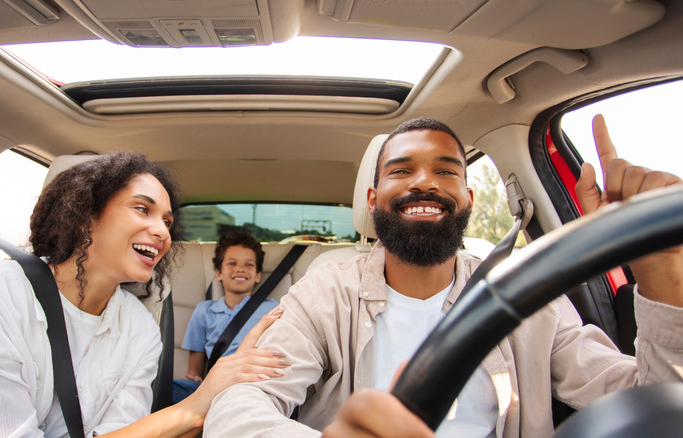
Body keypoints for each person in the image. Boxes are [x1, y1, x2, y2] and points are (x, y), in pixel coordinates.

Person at [204, 115, 683, 437]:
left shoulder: (528, 297)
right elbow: (237, 409)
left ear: (469, 198)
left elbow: (654, 405)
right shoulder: (325, 293)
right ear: (372, 200)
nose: (424, 182)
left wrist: (660, 269)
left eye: (447, 171)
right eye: (401, 170)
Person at [0, 152, 290, 437]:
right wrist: (195, 405)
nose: (163, 232)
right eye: (142, 209)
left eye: (167, 221)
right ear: (83, 216)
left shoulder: (140, 327)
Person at [173, 231, 280, 402]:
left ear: (258, 275)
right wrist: (194, 378)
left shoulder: (272, 309)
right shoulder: (204, 311)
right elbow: (195, 372)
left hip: (254, 384)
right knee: (165, 389)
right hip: (216, 386)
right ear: (218, 273)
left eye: (249, 265)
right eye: (231, 263)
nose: (240, 269)